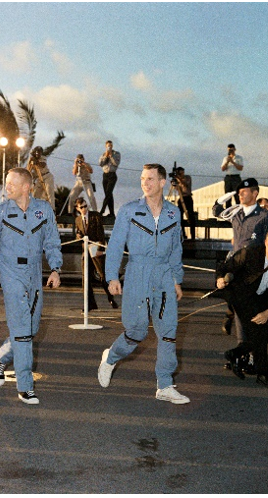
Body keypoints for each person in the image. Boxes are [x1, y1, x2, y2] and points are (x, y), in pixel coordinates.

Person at [95, 164, 190, 404]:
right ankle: (111, 358)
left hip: (164, 274)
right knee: (136, 331)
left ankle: (165, 385)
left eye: (150, 179)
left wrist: (177, 279)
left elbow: (176, 249)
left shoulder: (173, 213)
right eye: (142, 179)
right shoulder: (129, 211)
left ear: (162, 182)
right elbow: (115, 245)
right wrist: (112, 277)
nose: (145, 183)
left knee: (168, 331)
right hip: (137, 272)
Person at [0, 168, 62, 405]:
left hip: (34, 273)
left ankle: (1, 357)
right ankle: (25, 387)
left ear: (26, 186)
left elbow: (52, 241)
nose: (7, 187)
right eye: (6, 183)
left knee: (31, 329)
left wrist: (55, 268)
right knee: (23, 331)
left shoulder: (43, 210)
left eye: (12, 183)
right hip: (10, 272)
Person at [218, 228, 268, 388]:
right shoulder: (250, 253)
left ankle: (236, 353)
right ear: (265, 243)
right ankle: (263, 373)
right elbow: (224, 267)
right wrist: (220, 279)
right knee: (259, 331)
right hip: (240, 295)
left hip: (262, 297)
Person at [213, 178, 268, 335]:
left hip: (254, 269)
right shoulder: (236, 212)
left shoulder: (264, 216)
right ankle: (244, 348)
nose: (241, 194)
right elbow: (216, 210)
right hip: (236, 265)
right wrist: (228, 195)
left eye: (244, 192)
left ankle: (249, 347)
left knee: (250, 310)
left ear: (255, 193)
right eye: (239, 192)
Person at [73, 198, 117, 310]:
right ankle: (90, 304)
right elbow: (78, 234)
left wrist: (100, 248)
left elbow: (101, 233)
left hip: (96, 249)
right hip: (86, 251)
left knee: (103, 275)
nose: (84, 209)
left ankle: (110, 297)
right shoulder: (78, 220)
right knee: (85, 278)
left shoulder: (95, 216)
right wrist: (78, 237)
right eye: (82, 207)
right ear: (77, 208)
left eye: (85, 206)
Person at [170, 166, 195, 239]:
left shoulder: (187, 178)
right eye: (179, 174)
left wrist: (179, 178)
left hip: (188, 198)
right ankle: (183, 234)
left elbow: (185, 185)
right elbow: (176, 189)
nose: (181, 175)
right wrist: (174, 183)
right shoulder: (177, 180)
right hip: (181, 198)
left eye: (181, 173)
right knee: (180, 216)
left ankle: (192, 236)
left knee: (191, 216)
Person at [99, 140, 120, 217]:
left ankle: (102, 210)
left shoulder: (116, 154)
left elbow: (116, 163)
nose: (109, 147)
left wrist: (111, 156)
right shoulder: (103, 154)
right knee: (108, 194)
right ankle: (112, 213)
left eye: (110, 146)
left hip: (112, 175)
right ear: (105, 146)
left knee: (108, 193)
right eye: (108, 146)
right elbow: (101, 164)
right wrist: (106, 156)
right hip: (105, 175)